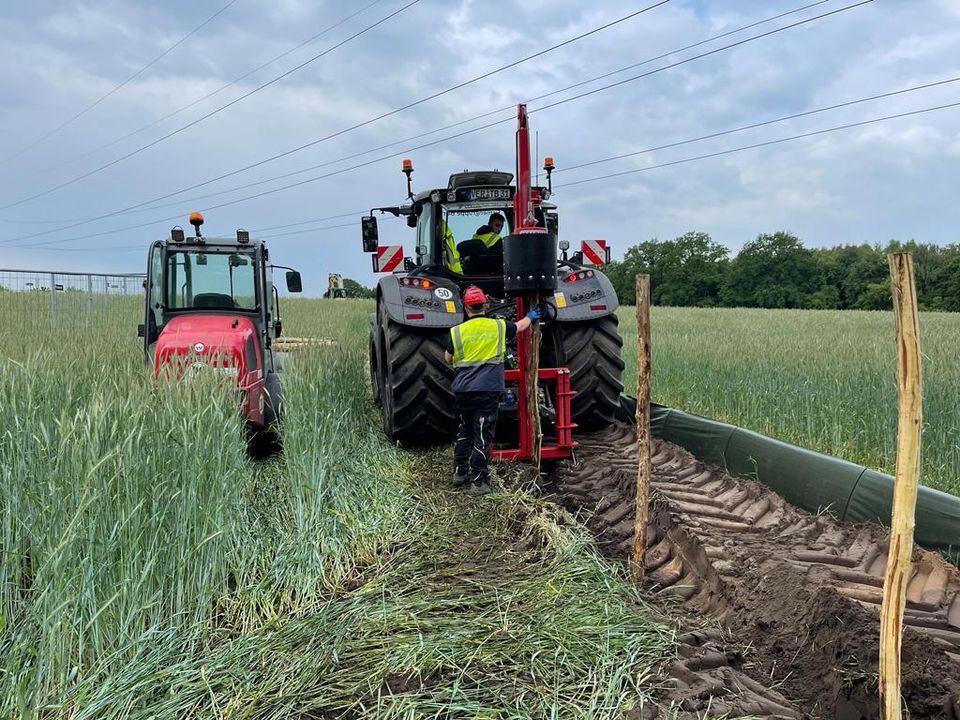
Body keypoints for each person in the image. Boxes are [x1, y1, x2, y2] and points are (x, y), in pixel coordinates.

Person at [443, 285, 540, 495]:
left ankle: (459, 472)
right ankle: (479, 482)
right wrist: (531, 316)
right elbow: (521, 326)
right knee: (482, 434)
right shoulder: (498, 327)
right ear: (485, 305)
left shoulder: (456, 331)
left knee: (465, 430)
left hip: (462, 391)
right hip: (486, 391)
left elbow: (448, 358)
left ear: (466, 307)